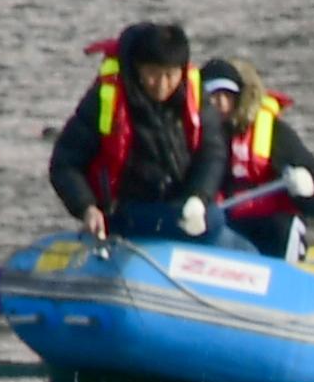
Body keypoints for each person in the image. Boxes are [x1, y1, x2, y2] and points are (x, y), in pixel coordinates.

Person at [46, 22, 224, 242]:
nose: (161, 84)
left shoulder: (195, 97)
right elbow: (64, 163)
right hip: (125, 211)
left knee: (220, 224)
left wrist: (198, 197)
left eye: (170, 75)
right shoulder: (106, 99)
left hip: (183, 208)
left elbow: (213, 152)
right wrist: (87, 208)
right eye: (152, 74)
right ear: (137, 67)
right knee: (215, 220)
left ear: (183, 71)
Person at [198, 58, 314, 259]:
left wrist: (308, 190)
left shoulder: (274, 135)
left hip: (272, 232)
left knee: (281, 228)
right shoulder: (193, 135)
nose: (220, 104)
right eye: (212, 96)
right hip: (224, 230)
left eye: (227, 95)